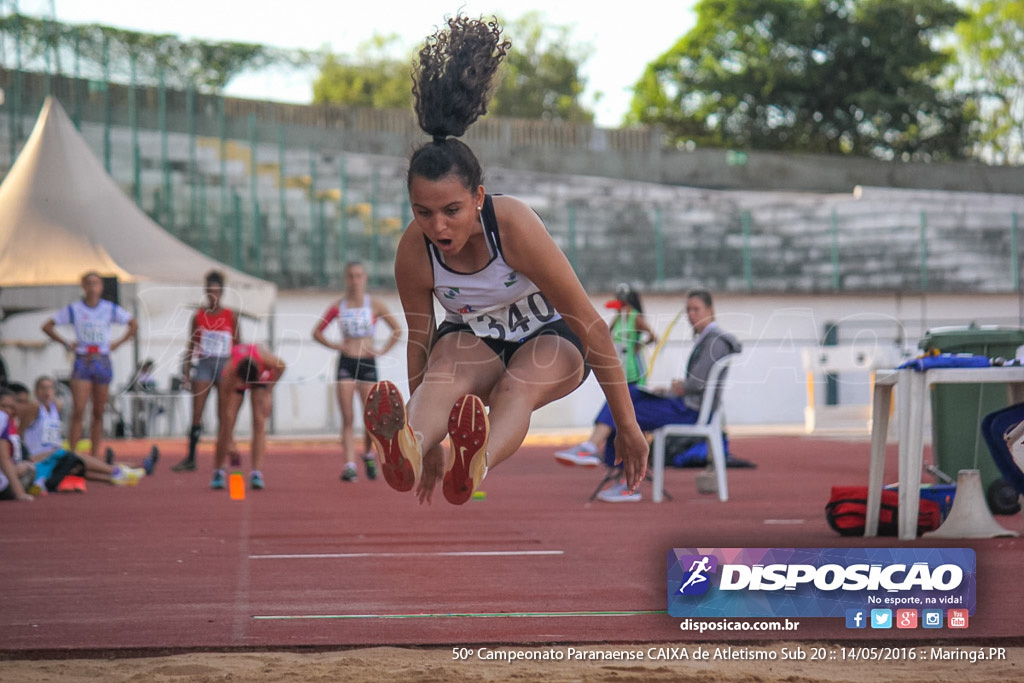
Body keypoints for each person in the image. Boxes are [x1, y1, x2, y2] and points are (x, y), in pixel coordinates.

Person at [361, 14, 648, 506]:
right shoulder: (415, 249)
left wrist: (627, 424)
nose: (439, 227)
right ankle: (409, 441)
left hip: (553, 337)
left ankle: (477, 462)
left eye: (451, 211)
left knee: (518, 389)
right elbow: (420, 340)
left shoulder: (511, 225)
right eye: (422, 212)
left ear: (478, 198)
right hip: (474, 338)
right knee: (443, 372)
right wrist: (428, 444)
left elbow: (593, 326)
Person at [557, 290, 742, 502]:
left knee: (625, 408)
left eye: (696, 309)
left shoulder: (715, 340)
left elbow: (696, 383)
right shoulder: (709, 339)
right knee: (627, 397)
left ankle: (608, 464)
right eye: (688, 310)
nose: (691, 315)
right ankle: (607, 463)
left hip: (689, 411)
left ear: (710, 311)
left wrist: (676, 388)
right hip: (686, 405)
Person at [313, 261, 402, 483]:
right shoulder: (338, 306)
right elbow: (317, 332)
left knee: (371, 418)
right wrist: (335, 345)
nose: (355, 280)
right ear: (346, 279)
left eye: (359, 276)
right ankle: (349, 464)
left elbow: (397, 330)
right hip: (346, 362)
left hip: (367, 363)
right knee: (347, 417)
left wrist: (382, 350)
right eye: (351, 276)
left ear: (365, 279)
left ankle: (368, 454)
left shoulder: (375, 305)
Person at [41, 271, 138, 465]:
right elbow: (48, 326)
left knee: (98, 411)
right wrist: (67, 343)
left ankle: (95, 455)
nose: (93, 287)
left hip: (102, 359)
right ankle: (72, 453)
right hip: (83, 360)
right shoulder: (75, 309)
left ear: (101, 287)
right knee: (78, 409)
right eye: (89, 283)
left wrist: (117, 344)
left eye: (96, 283)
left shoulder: (109, 308)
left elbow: (133, 324)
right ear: (83, 286)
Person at [554, 283, 656, 466]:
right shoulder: (618, 318)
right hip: (620, 368)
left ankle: (592, 447)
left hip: (634, 369)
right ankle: (606, 455)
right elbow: (604, 336)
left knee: (622, 404)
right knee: (616, 404)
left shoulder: (635, 317)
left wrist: (636, 346)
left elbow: (653, 336)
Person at [17, 376, 143, 489]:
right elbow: (20, 432)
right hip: (38, 455)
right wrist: (25, 456)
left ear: (54, 390)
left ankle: (115, 478)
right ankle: (117, 471)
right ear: (36, 391)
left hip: (54, 452)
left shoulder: (57, 406)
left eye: (50, 388)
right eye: (42, 388)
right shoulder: (34, 408)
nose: (46, 392)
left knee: (76, 466)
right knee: (74, 456)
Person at [173, 270, 240, 472]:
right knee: (197, 412)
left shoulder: (230, 316)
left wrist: (238, 373)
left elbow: (238, 346)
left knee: (225, 414)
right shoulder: (198, 316)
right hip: (204, 364)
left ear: (222, 293)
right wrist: (186, 372)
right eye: (210, 292)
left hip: (224, 366)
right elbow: (191, 345)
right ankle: (191, 457)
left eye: (217, 292)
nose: (213, 296)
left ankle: (227, 453)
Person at [210, 343, 285, 491]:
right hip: (236, 382)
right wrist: (229, 440)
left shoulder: (266, 359)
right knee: (228, 422)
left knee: (259, 422)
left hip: (261, 381)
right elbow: (224, 410)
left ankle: (257, 472)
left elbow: (282, 366)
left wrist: (269, 391)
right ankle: (218, 470)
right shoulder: (230, 370)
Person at [0, 388, 35, 501]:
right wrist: (19, 493)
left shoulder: (9, 423)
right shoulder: (2, 419)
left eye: (11, 407)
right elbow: (4, 459)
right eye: (3, 406)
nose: (8, 411)